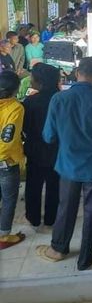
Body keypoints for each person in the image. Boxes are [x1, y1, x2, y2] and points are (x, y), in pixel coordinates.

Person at [37, 57, 92, 271]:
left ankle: (58, 249)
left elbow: (48, 136)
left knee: (66, 207)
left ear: (77, 72)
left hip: (68, 165)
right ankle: (85, 258)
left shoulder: (58, 99)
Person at [22, 63, 61, 230]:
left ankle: (34, 218)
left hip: (35, 149)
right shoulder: (61, 99)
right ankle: (51, 218)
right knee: (54, 185)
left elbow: (25, 127)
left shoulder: (30, 101)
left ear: (40, 81)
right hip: (57, 149)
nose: (30, 79)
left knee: (33, 185)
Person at [0, 71, 25, 250]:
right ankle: (3, 236)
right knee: (9, 200)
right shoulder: (16, 108)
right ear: (16, 89)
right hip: (6, 164)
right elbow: (7, 140)